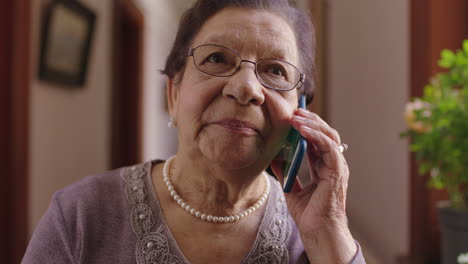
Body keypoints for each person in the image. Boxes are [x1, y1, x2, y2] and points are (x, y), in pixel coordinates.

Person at [23, 0, 366, 263]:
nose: (245, 88)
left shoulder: (312, 232)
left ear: (300, 113)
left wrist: (329, 237)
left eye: (275, 70)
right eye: (217, 58)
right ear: (174, 95)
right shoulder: (81, 214)